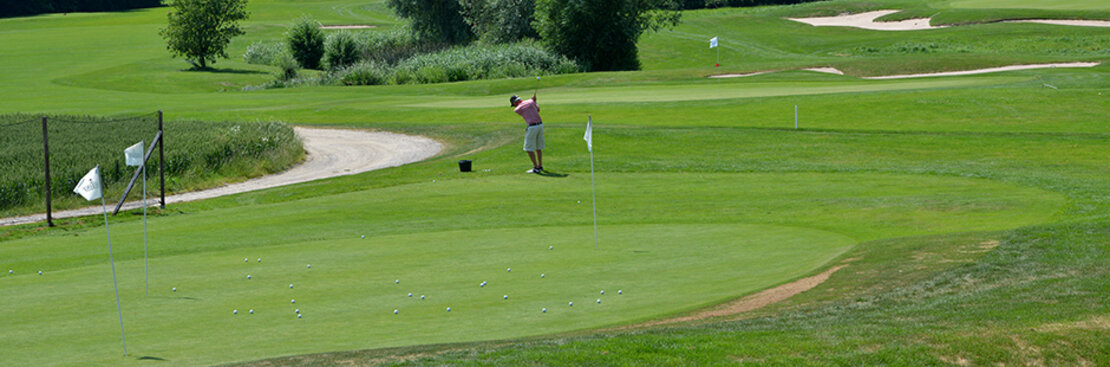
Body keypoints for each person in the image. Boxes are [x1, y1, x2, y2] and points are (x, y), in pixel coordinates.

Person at [511, 93, 544, 173]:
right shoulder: (531, 101)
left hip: (532, 127)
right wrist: (534, 101)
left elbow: (520, 108)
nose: (514, 106)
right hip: (540, 125)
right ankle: (540, 166)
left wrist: (533, 101)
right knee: (538, 147)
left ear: (515, 102)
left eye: (513, 104)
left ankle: (536, 168)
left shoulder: (517, 109)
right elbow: (538, 110)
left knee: (528, 149)